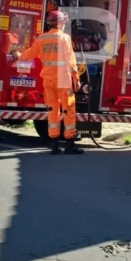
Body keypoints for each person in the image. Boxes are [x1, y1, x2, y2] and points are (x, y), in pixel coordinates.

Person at [19, 11, 83, 155]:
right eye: (64, 22)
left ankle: (54, 144)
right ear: (60, 22)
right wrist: (76, 79)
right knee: (68, 109)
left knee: (53, 110)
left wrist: (19, 55)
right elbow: (71, 61)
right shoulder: (65, 38)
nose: (65, 24)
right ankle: (69, 144)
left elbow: (29, 54)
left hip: (48, 79)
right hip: (63, 79)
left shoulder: (42, 39)